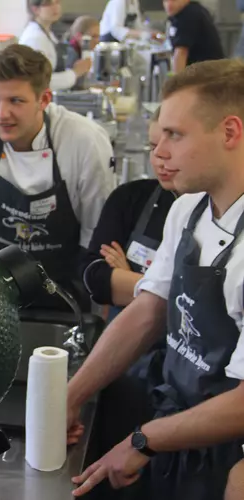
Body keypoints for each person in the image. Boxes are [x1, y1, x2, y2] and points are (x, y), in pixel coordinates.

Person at [69, 59, 244, 500]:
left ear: (229, 132)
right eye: (158, 135)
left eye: (175, 135)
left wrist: (142, 441)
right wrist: (69, 396)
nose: (158, 152)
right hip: (174, 423)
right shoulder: (188, 208)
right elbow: (149, 308)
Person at [0, 44, 114, 311]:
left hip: (67, 288)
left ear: (44, 99)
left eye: (16, 101)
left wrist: (97, 321)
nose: (1, 114)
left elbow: (96, 237)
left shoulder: (85, 140)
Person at [82, 106, 177, 322]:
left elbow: (193, 307)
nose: (160, 157)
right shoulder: (130, 198)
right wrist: (154, 287)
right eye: (153, 147)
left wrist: (132, 281)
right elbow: (94, 276)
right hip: (127, 342)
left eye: (172, 145)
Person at [18, 0, 93, 91]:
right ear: (35, 9)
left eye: (57, 2)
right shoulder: (35, 39)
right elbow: (39, 81)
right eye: (48, 4)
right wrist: (75, 72)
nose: (55, 7)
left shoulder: (47, 32)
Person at [164, 0, 225, 73]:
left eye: (174, 0)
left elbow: (181, 52)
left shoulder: (189, 15)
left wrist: (177, 83)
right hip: (211, 71)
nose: (169, 4)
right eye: (166, 0)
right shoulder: (190, 11)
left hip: (206, 75)